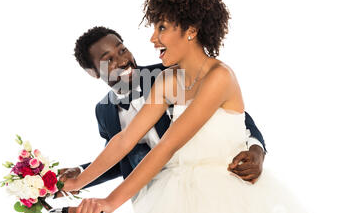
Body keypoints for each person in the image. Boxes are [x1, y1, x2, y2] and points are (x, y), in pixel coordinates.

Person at [62, 0, 328, 213]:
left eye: (162, 28)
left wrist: (109, 202)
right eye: (155, 28)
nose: (153, 39)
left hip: (226, 196)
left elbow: (167, 146)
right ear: (92, 71)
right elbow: (124, 142)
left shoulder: (219, 77)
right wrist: (75, 182)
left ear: (190, 30)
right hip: (174, 200)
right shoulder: (166, 80)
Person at [57, 26, 266, 193]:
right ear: (92, 72)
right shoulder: (103, 112)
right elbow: (120, 159)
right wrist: (81, 174)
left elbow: (228, 113)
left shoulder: (168, 73)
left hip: (209, 184)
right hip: (157, 205)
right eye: (108, 60)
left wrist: (256, 150)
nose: (122, 60)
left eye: (122, 50)